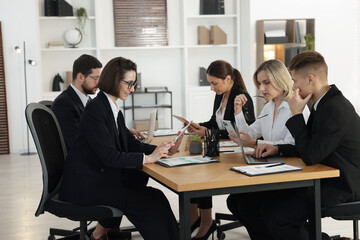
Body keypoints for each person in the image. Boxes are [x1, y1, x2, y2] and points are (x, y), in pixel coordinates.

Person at [227, 51, 360, 240]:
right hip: (322, 176)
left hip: (341, 184)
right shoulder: (322, 103)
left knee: (277, 215)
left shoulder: (334, 108)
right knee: (248, 204)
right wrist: (277, 149)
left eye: (295, 81)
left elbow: (311, 155)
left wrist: (296, 114)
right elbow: (310, 146)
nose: (293, 86)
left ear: (311, 79)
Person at [59, 56, 183, 240]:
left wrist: (160, 150)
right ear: (115, 80)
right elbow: (110, 156)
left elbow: (130, 143)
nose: (132, 89)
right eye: (129, 84)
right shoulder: (96, 109)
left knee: (157, 197)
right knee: (149, 204)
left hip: (102, 178)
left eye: (134, 84)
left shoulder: (111, 107)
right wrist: (149, 158)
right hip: (89, 185)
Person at [188, 60, 255, 240]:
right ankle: (196, 218)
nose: (212, 88)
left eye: (214, 83)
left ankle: (206, 222)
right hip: (220, 149)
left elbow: (239, 133)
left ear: (227, 79)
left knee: (204, 172)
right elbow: (214, 122)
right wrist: (197, 126)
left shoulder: (241, 97)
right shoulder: (220, 95)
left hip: (236, 153)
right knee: (196, 168)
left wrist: (209, 132)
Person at [51, 54, 144, 152]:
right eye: (95, 78)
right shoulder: (64, 104)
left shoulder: (89, 101)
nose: (99, 83)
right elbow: (77, 143)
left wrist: (121, 134)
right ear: (80, 77)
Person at [229, 59, 309, 148]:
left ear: (280, 80)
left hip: (290, 161)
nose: (261, 88)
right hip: (271, 160)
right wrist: (238, 111)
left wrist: (256, 143)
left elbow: (291, 144)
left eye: (266, 82)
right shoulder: (268, 107)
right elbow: (249, 135)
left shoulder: (297, 107)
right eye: (259, 83)